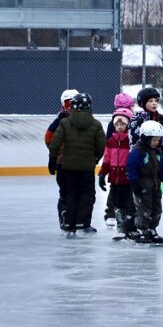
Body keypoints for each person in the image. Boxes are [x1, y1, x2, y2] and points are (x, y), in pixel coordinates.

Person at [48, 93, 107, 238]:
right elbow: (101, 146)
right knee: (87, 195)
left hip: (68, 167)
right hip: (86, 168)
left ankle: (69, 224)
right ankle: (83, 224)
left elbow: (54, 143)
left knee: (71, 195)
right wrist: (95, 159)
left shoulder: (64, 123)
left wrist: (52, 160)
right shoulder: (96, 124)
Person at [127, 120, 163, 245]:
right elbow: (131, 168)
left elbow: (162, 169)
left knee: (157, 210)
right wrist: (134, 184)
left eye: (158, 140)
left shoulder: (157, 152)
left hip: (155, 187)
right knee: (144, 210)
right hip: (142, 187)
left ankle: (152, 230)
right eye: (154, 140)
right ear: (145, 138)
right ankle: (142, 230)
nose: (156, 142)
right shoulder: (138, 152)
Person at [100, 108, 137, 239]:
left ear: (127, 125)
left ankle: (129, 226)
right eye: (117, 125)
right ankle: (120, 226)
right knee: (117, 202)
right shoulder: (111, 141)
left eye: (122, 124)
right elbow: (106, 159)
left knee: (128, 202)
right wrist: (102, 174)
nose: (119, 127)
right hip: (114, 179)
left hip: (127, 178)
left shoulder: (130, 141)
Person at [45, 88, 77, 230]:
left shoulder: (59, 120)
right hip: (70, 163)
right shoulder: (61, 121)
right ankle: (68, 216)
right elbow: (49, 139)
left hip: (64, 163)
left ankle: (66, 215)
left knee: (65, 192)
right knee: (71, 191)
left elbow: (48, 138)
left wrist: (55, 154)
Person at [128, 87, 163, 159]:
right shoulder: (138, 119)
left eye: (156, 101)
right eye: (150, 101)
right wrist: (137, 153)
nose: (154, 103)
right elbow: (133, 137)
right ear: (142, 103)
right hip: (141, 155)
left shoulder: (159, 118)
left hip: (156, 155)